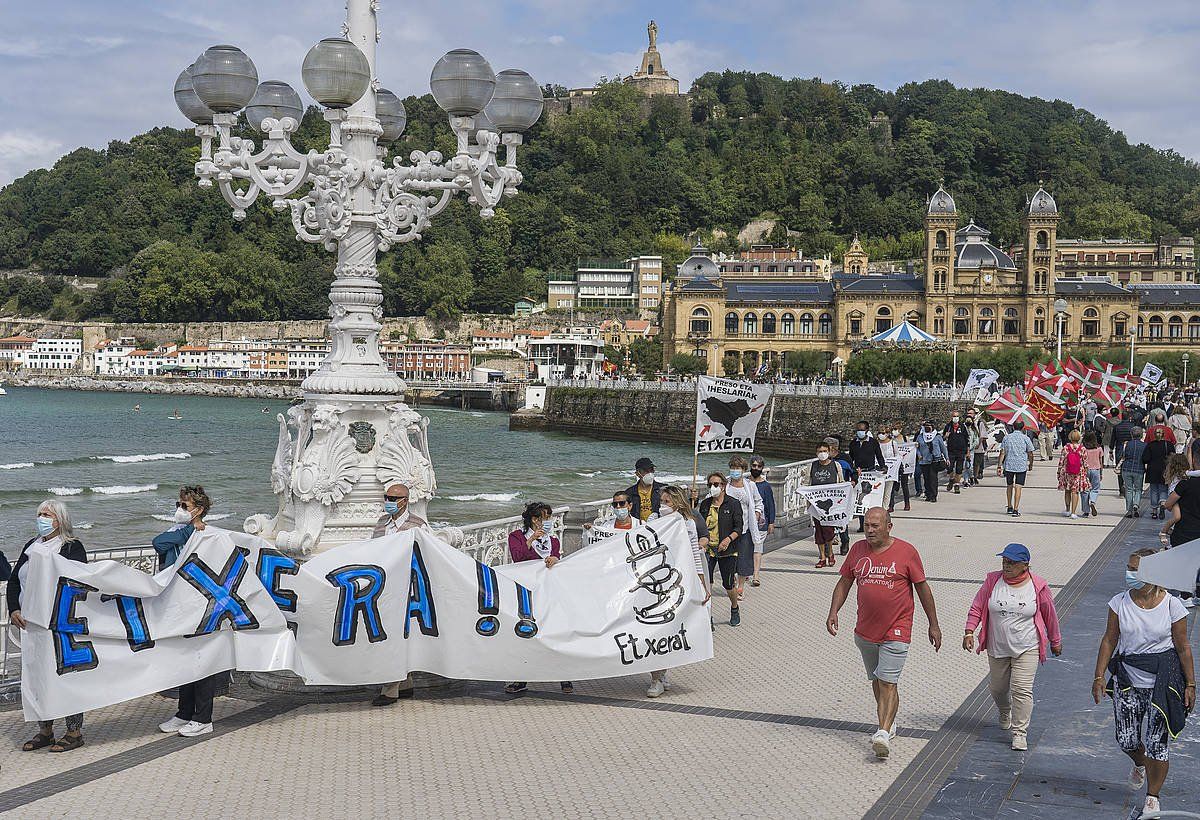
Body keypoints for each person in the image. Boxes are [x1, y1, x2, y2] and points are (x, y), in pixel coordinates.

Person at [826, 507, 941, 760]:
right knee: (878, 681)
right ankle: (889, 722)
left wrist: (933, 624)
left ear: (889, 526)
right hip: (865, 630)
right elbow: (845, 582)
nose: (869, 530)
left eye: (875, 526)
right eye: (867, 525)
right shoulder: (857, 550)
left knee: (888, 681)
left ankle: (883, 732)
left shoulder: (906, 552)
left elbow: (923, 589)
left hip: (897, 628)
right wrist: (834, 611)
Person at [1092, 548, 1195, 820]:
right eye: (1129, 567)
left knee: (1157, 744)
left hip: (1162, 683)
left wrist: (1191, 684)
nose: (1130, 573)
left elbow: (1183, 646)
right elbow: (1110, 640)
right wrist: (1099, 676)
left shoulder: (1172, 605)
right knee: (1126, 739)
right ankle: (1140, 763)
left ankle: (1152, 797)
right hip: (1128, 680)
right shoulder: (1118, 603)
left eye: (1136, 569)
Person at [963, 544, 1063, 751]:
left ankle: (1019, 733)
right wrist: (969, 631)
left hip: (1027, 646)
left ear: (1025, 565)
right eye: (1004, 561)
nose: (1006, 566)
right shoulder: (993, 581)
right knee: (998, 688)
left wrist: (1055, 641)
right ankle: (1004, 709)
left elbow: (1050, 615)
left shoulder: (1038, 586)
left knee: (1021, 689)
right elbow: (977, 606)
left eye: (1012, 562)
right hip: (997, 646)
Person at [10, 500, 88, 753]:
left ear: (60, 520)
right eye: (40, 514)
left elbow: (78, 583)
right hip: (32, 626)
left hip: (59, 625)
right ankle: (45, 730)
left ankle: (74, 732)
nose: (42, 518)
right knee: (38, 677)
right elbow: (15, 581)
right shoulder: (31, 546)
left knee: (65, 676)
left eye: (47, 515)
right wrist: (14, 609)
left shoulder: (71, 547)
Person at [155, 485, 223, 738]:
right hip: (178, 605)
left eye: (185, 506)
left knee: (202, 661)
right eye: (178, 504)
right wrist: (188, 530)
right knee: (183, 660)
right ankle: (184, 713)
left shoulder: (207, 536)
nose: (179, 509)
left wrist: (192, 531)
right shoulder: (180, 532)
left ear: (199, 510)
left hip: (201, 606)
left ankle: (203, 718)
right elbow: (159, 544)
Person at [646, 486, 711, 697]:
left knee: (669, 628)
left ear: (677, 503)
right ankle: (656, 677)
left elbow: (694, 554)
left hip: (677, 581)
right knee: (654, 628)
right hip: (655, 580)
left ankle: (660, 673)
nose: (662, 505)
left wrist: (701, 584)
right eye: (661, 501)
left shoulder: (687, 523)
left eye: (667, 502)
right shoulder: (654, 519)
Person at [505, 502, 572, 694]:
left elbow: (556, 561)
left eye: (550, 517)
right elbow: (518, 558)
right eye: (546, 517)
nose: (549, 521)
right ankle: (521, 678)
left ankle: (564, 676)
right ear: (535, 520)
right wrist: (531, 539)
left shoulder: (554, 541)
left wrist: (555, 560)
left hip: (549, 594)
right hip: (527, 595)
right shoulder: (517, 537)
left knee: (555, 633)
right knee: (526, 634)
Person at [370, 483, 427, 706]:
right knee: (393, 636)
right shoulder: (381, 524)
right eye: (387, 497)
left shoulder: (418, 526)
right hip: (384, 588)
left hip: (407, 590)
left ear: (405, 500)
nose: (389, 502)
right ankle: (405, 683)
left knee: (396, 637)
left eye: (394, 499)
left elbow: (426, 556)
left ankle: (389, 689)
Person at [699, 472, 744, 626]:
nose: (713, 487)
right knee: (707, 583)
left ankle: (734, 607)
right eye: (710, 484)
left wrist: (727, 539)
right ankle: (708, 615)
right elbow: (698, 524)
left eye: (716, 484)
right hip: (708, 550)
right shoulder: (705, 504)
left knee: (728, 584)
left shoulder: (733, 504)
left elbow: (739, 528)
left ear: (723, 486)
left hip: (728, 550)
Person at [724, 455, 764, 598]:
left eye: (738, 468)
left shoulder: (750, 486)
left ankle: (740, 587)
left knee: (744, 559)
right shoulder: (725, 485)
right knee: (730, 559)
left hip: (745, 528)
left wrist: (757, 514)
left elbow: (758, 502)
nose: (735, 470)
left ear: (743, 470)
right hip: (728, 529)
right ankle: (733, 583)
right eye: (733, 468)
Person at [809, 441, 846, 568]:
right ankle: (822, 557)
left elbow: (841, 483)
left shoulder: (836, 465)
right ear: (816, 453)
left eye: (824, 451)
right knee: (818, 531)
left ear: (829, 452)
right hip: (816, 505)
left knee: (829, 531)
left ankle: (830, 553)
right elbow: (807, 484)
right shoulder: (812, 466)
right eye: (820, 451)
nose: (822, 454)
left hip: (831, 505)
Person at [997, 420, 1035, 517]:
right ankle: (1016, 509)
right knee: (1018, 487)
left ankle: (1009, 506)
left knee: (1009, 486)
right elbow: (1030, 453)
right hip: (1021, 466)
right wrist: (1031, 464)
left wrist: (999, 466)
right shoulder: (1025, 438)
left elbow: (1002, 452)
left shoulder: (1007, 437)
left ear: (1013, 427)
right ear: (1023, 428)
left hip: (1009, 465)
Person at [749, 455, 775, 586]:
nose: (756, 468)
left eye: (759, 466)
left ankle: (756, 575)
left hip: (761, 523)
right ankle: (745, 572)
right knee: (746, 549)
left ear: (762, 468)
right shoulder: (745, 483)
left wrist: (771, 522)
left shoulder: (765, 486)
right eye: (754, 465)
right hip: (746, 522)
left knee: (757, 549)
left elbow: (770, 504)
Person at [1057, 430, 1089, 519]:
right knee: (1075, 492)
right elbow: (1085, 462)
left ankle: (1067, 510)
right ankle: (1073, 513)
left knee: (1067, 491)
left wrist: (1059, 472)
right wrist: (1086, 473)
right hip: (1078, 473)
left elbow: (1061, 461)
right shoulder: (1082, 448)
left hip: (1067, 472)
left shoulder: (1066, 447)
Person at [1142, 428, 1173, 519]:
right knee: (1163, 489)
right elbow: (1173, 457)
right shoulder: (1169, 444)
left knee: (1154, 490)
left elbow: (1145, 458)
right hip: (1164, 469)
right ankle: (1163, 503)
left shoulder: (1150, 445)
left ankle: (1154, 511)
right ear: (1164, 435)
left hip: (1152, 470)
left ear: (1154, 435)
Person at [916, 421, 948, 503]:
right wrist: (919, 455)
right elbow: (917, 447)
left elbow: (943, 448)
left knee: (933, 478)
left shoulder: (937, 436)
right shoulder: (920, 436)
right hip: (924, 461)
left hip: (934, 460)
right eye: (925, 426)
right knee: (926, 479)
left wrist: (947, 458)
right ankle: (928, 494)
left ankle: (933, 495)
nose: (927, 427)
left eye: (929, 426)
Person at [626, 457, 666, 523]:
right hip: (639, 526)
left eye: (651, 470)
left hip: (659, 525)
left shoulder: (663, 489)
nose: (650, 473)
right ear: (638, 473)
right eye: (646, 471)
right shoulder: (630, 492)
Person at [1119, 427, 1147, 517]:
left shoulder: (1127, 444)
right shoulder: (1144, 445)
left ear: (1131, 435)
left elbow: (1123, 455)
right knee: (1138, 489)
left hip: (1127, 468)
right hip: (1139, 469)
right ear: (1141, 435)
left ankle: (1129, 510)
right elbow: (1146, 458)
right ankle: (1136, 504)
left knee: (1129, 489)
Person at [881, 427, 911, 513]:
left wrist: (895, 462)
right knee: (888, 488)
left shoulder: (897, 441)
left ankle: (907, 503)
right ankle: (890, 505)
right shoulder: (878, 443)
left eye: (883, 433)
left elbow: (898, 454)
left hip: (895, 467)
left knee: (903, 485)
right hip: (883, 468)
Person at [943, 410, 970, 493]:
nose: (955, 418)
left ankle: (957, 485)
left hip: (961, 451)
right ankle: (951, 479)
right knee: (949, 467)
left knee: (959, 469)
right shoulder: (948, 426)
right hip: (951, 451)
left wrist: (968, 452)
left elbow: (967, 439)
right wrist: (945, 436)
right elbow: (942, 438)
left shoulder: (962, 426)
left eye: (957, 416)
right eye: (954, 416)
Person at [1082, 431, 1104, 518]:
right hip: (1096, 470)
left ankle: (1086, 511)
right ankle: (1092, 501)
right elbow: (1101, 462)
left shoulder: (1083, 448)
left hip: (1085, 470)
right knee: (1095, 488)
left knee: (1085, 490)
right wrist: (1101, 473)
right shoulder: (1099, 449)